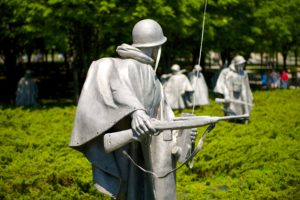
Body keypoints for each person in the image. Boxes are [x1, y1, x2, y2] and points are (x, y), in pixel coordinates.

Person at [69, 19, 195, 200]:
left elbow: (166, 119)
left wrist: (184, 136)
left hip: (148, 155)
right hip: (126, 153)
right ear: (156, 47)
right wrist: (136, 111)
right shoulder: (112, 65)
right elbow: (112, 84)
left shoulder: (154, 79)